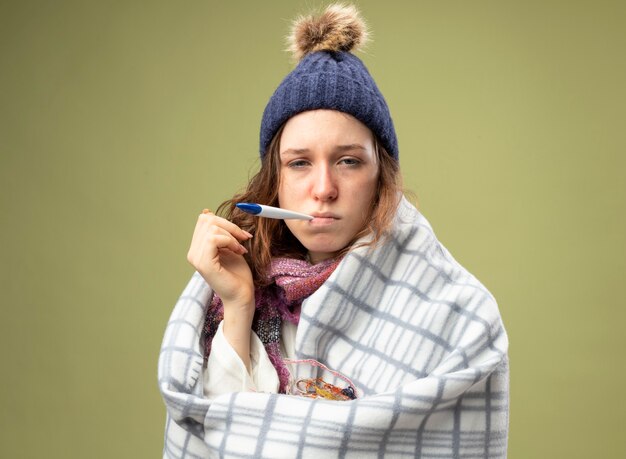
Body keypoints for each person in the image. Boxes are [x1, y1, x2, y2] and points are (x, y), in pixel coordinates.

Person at [158, 4, 509, 458]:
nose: (323, 190)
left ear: (381, 176)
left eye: (348, 161)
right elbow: (220, 438)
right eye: (300, 163)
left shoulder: (457, 314)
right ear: (275, 181)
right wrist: (238, 305)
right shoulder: (246, 286)